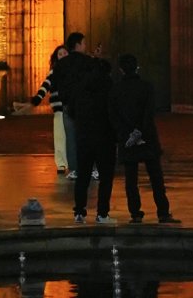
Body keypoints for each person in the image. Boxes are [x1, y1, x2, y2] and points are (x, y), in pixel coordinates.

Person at [107, 51, 172, 224]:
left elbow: (113, 116)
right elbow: (149, 113)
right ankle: (163, 212)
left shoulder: (115, 91)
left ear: (121, 70)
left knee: (131, 179)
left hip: (127, 139)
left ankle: (135, 213)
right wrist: (140, 132)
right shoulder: (147, 87)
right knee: (156, 177)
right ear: (137, 68)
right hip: (147, 138)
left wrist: (128, 134)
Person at [70, 47, 117, 223]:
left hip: (84, 136)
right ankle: (102, 213)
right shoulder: (109, 86)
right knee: (105, 178)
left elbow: (72, 110)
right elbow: (114, 112)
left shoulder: (80, 87)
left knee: (83, 175)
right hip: (105, 137)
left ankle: (79, 212)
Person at [41, 30, 84, 184]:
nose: (63, 56)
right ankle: (63, 164)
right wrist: (37, 98)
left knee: (73, 137)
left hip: (71, 106)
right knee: (62, 137)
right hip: (61, 109)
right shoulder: (57, 70)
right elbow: (46, 84)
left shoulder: (73, 69)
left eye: (65, 53)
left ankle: (76, 165)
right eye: (60, 54)